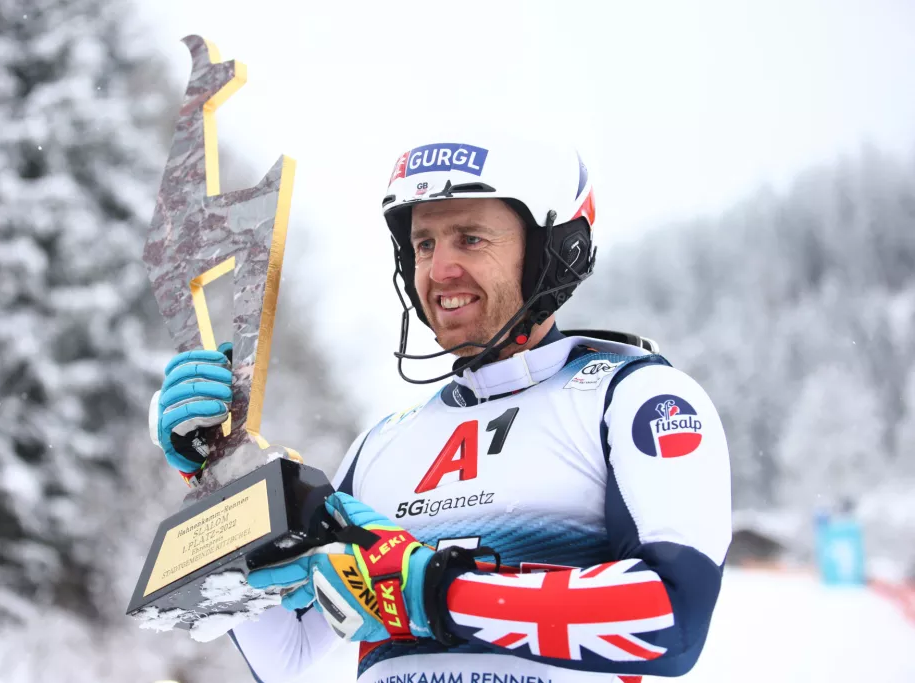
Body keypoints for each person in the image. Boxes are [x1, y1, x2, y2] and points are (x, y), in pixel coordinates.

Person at [151, 134, 732, 682]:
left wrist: (434, 591)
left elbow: (674, 619)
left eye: (471, 238)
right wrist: (218, 474)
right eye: (424, 244)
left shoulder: (635, 399)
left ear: (554, 251)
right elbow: (287, 656)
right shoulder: (383, 445)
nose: (438, 269)